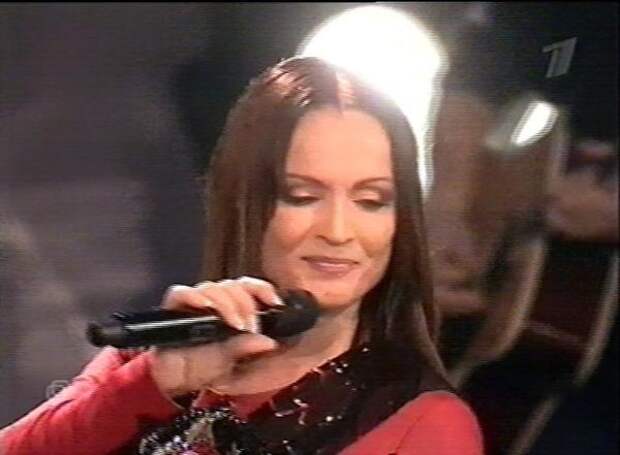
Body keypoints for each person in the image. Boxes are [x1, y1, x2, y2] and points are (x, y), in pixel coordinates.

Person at [0, 56, 483, 455]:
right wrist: (151, 384)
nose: (338, 231)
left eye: (371, 201)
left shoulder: (423, 423)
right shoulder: (153, 357)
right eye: (301, 196)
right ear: (245, 202)